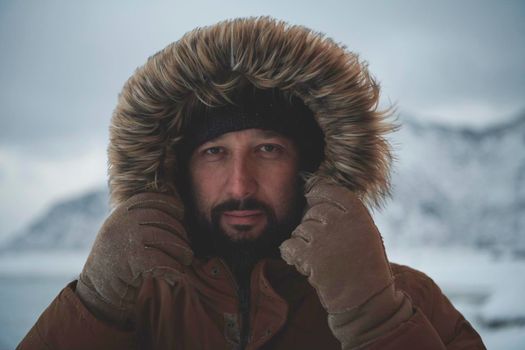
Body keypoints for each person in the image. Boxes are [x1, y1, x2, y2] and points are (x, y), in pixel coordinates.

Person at [18, 17, 486, 350]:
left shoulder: (402, 299)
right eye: (214, 153)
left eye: (268, 150)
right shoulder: (133, 306)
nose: (240, 183)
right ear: (180, 171)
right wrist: (94, 306)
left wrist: (374, 319)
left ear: (311, 166)